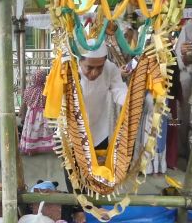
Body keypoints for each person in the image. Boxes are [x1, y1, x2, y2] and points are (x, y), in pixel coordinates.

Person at [62, 39, 127, 223]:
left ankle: (94, 204)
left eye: (99, 67)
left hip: (99, 129)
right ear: (79, 60)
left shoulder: (111, 69)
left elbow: (118, 90)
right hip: (71, 130)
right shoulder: (68, 69)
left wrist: (131, 101)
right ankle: (77, 209)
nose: (95, 72)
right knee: (73, 173)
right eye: (89, 67)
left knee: (96, 170)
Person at [176, 21, 192, 176]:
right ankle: (189, 158)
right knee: (187, 123)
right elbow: (181, 61)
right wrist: (185, 55)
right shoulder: (189, 27)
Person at [19, 69, 54, 155]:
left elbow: (24, 102)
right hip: (43, 114)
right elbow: (49, 102)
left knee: (31, 130)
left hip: (31, 114)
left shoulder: (29, 90)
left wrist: (21, 111)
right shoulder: (46, 89)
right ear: (43, 78)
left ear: (33, 78)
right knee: (42, 131)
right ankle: (40, 146)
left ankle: (30, 149)